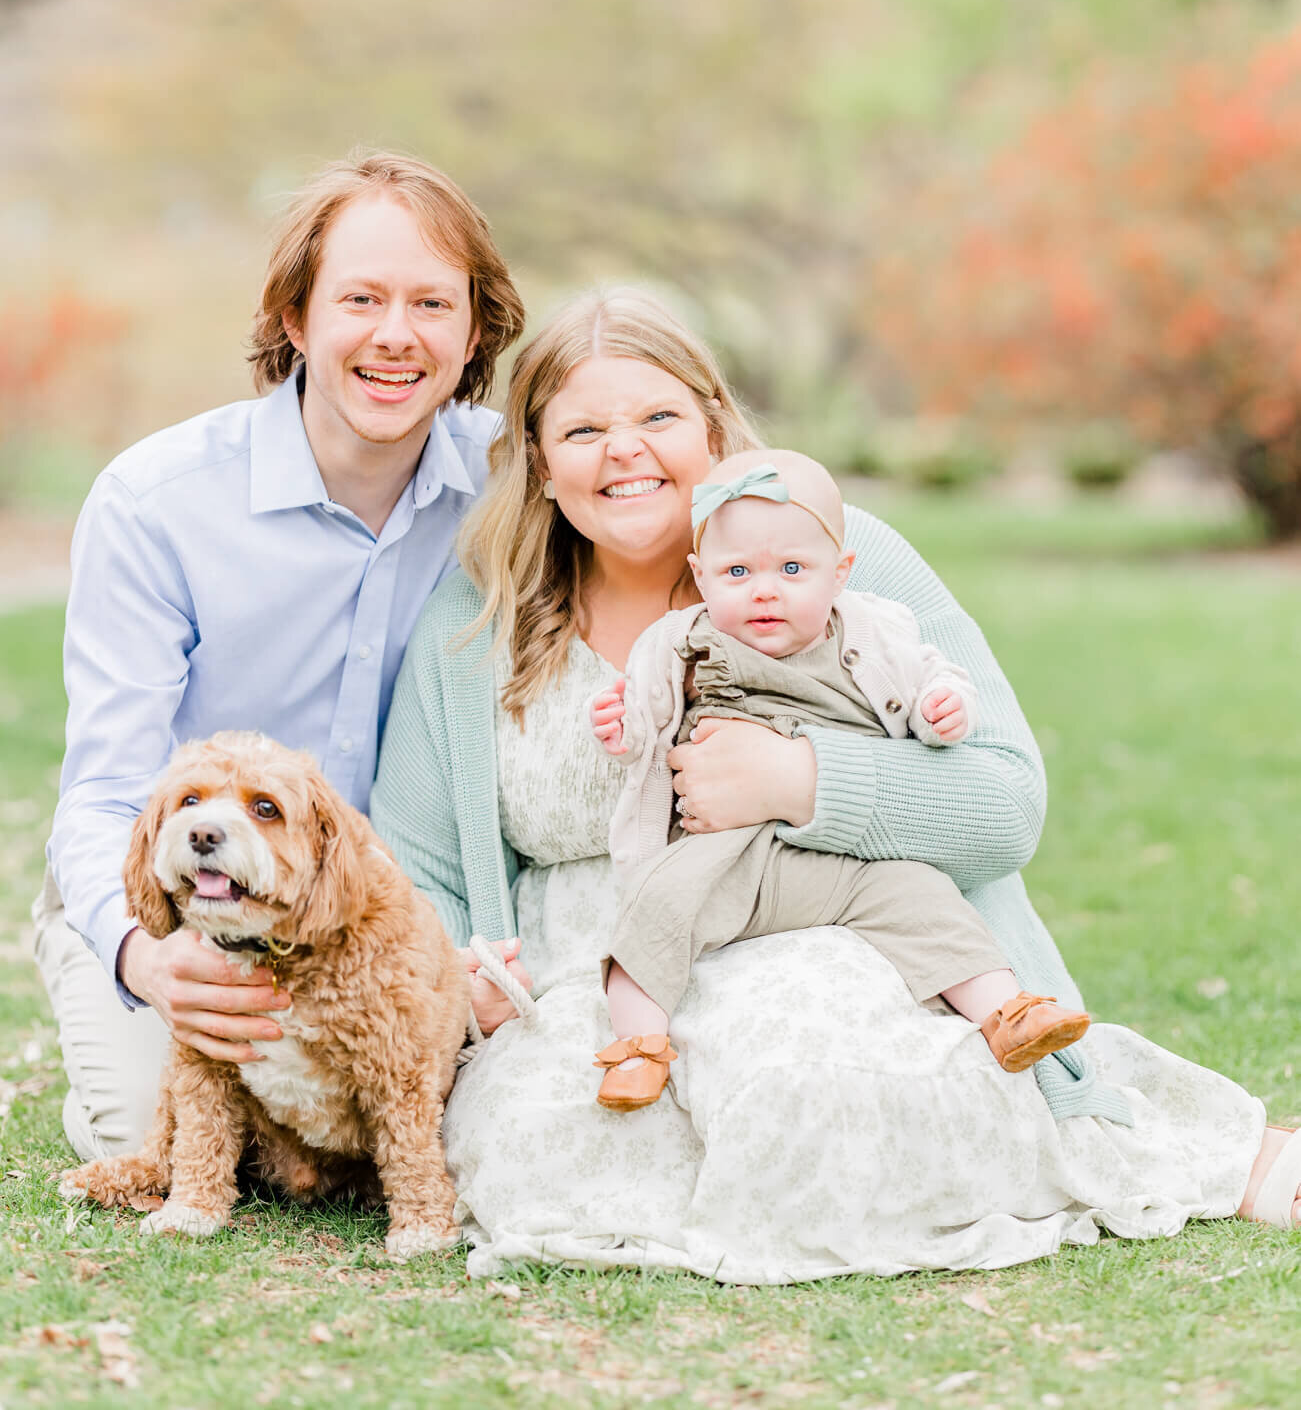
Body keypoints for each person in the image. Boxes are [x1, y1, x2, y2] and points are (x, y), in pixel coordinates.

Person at [371, 287, 1301, 1282]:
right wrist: (460, 981)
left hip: (822, 931)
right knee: (542, 1149)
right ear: (539, 459)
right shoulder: (477, 615)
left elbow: (1003, 801)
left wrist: (803, 776)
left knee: (819, 1079)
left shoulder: (834, 558)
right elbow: (412, 861)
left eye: (657, 418)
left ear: (716, 426)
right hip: (592, 983)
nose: (622, 449)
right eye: (584, 427)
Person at [34, 150, 524, 1162]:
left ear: (474, 329)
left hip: (385, 916)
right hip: (190, 895)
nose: (397, 335)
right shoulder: (155, 501)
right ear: (296, 317)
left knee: (480, 1128)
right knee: (149, 1134)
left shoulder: (514, 483)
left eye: (433, 302)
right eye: (361, 298)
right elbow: (109, 783)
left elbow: (700, 504)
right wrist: (147, 955)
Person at [588, 445, 1089, 1111]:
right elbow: (646, 721)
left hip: (845, 855)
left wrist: (943, 708)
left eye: (792, 568)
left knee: (924, 897)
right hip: (723, 854)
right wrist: (623, 733)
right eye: (736, 571)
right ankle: (638, 1047)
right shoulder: (680, 639)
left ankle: (1007, 1012)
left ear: (839, 573)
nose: (764, 589)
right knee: (653, 908)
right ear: (700, 576)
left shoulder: (874, 629)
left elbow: (929, 677)